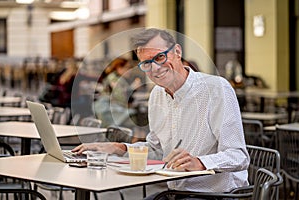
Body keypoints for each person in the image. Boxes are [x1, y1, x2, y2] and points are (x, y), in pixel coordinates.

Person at [72, 28, 249, 197]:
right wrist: (117, 148)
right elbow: (156, 150)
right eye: (146, 63)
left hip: (217, 194)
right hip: (176, 193)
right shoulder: (157, 94)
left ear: (177, 52)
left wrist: (200, 163)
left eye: (160, 57)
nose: (155, 68)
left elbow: (238, 156)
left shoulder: (216, 89)